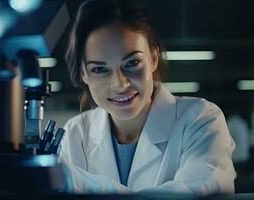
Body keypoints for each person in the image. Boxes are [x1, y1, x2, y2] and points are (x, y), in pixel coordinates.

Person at [59, 0, 236, 195]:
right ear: (83, 75)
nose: (120, 84)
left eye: (132, 62)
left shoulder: (200, 120)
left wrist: (75, 181)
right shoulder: (74, 134)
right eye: (100, 69)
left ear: (153, 58)